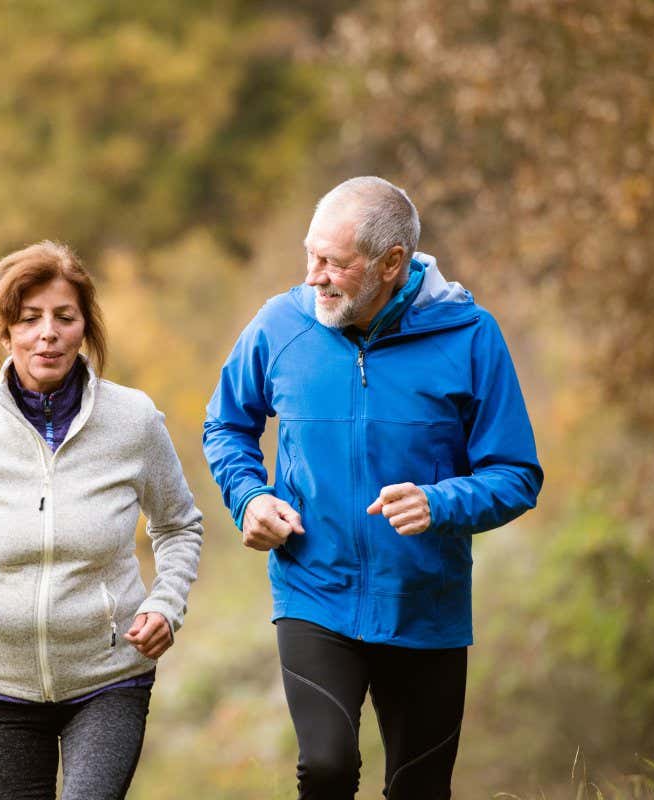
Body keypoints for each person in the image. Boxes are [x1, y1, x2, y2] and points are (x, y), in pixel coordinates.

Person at [203, 177, 543, 799]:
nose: (315, 276)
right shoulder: (282, 325)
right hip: (314, 591)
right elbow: (226, 424)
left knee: (419, 787)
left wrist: (440, 502)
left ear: (393, 263)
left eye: (334, 263)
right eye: (311, 255)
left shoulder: (469, 336)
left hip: (424, 605)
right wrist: (249, 496)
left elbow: (516, 475)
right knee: (327, 768)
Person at [0, 241, 203, 800]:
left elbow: (178, 526)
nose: (47, 333)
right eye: (28, 319)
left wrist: (165, 604)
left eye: (64, 317)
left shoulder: (133, 421)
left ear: (85, 328)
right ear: (5, 333)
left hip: (109, 677)